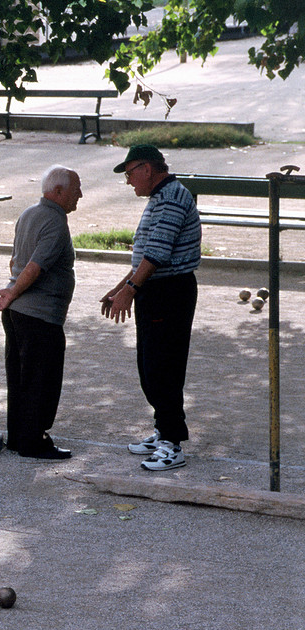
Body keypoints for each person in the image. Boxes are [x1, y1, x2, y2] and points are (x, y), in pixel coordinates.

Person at [101, 144, 201, 472]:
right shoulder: (160, 197)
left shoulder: (172, 196)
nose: (129, 181)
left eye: (130, 173)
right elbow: (145, 253)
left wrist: (130, 291)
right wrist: (120, 289)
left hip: (169, 292)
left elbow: (158, 253)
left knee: (163, 368)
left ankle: (173, 444)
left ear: (146, 169)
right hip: (153, 289)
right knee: (149, 366)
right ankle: (162, 431)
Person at [0, 165, 82, 460]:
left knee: (20, 377)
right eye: (76, 189)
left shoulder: (29, 213)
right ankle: (34, 440)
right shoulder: (55, 223)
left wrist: (12, 293)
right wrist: (13, 293)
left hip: (18, 313)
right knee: (42, 379)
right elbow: (34, 266)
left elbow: (15, 260)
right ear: (58, 191)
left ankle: (19, 436)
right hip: (39, 315)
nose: (80, 195)